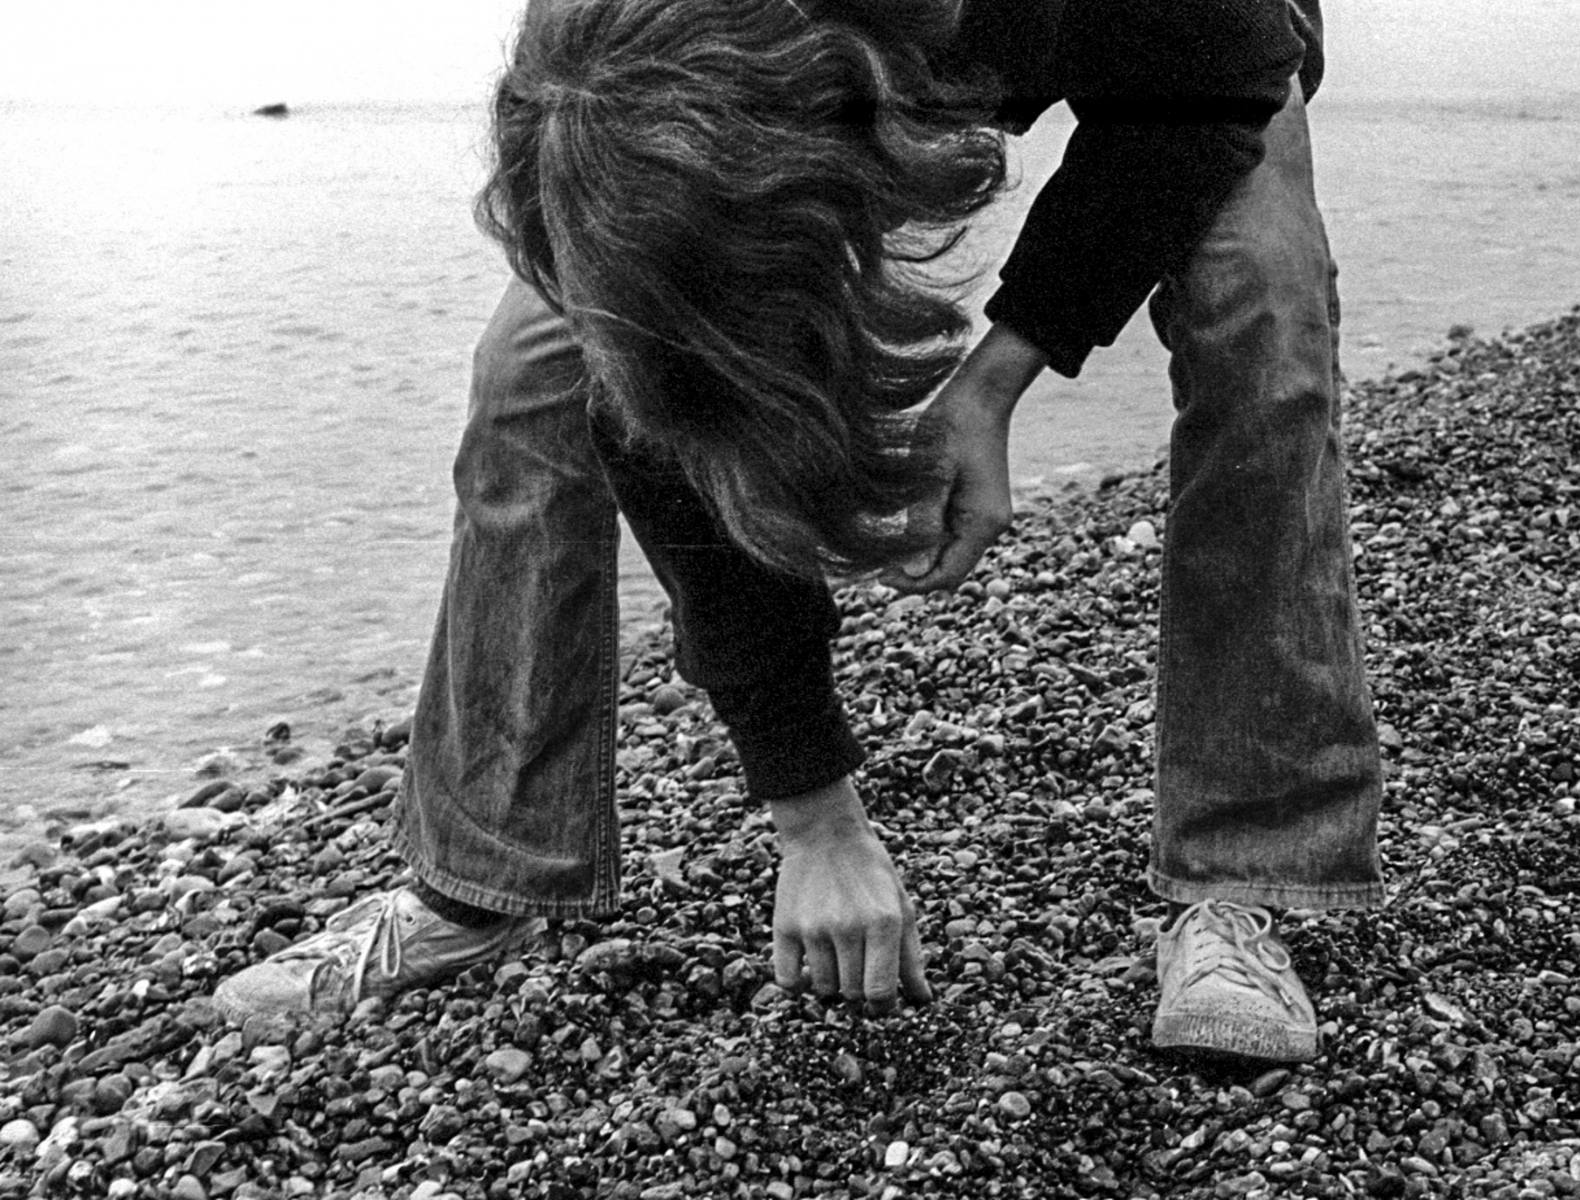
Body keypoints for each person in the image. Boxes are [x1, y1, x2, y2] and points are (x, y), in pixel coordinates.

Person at [215, 0, 1384, 1064]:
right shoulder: (599, 46)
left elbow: (1215, 86)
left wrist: (992, 381)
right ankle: (483, 875)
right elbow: (679, 377)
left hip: (1195, 39)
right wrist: (812, 816)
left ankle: (1244, 874)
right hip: (781, 57)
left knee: (1260, 308)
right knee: (538, 366)